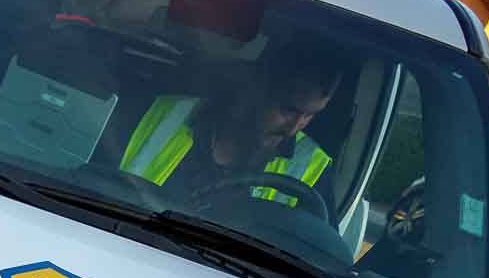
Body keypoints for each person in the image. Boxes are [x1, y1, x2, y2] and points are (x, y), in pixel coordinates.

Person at [118, 42, 342, 207]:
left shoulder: (312, 168)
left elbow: (320, 258)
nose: (294, 128)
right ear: (257, 87)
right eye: (287, 110)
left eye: (309, 116)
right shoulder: (158, 115)